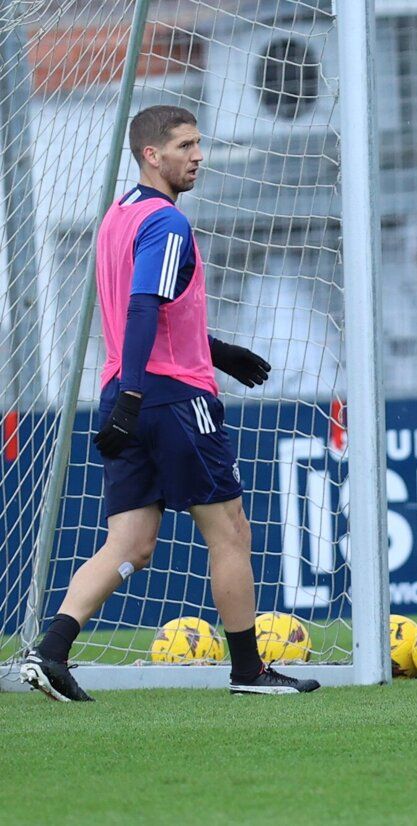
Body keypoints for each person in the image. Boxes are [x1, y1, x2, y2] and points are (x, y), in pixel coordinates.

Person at [20, 106, 319, 701]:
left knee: (130, 543)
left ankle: (49, 652)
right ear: (151, 155)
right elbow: (142, 306)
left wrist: (216, 351)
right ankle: (249, 672)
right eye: (185, 146)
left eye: (198, 143)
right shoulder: (166, 222)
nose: (198, 156)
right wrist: (138, 392)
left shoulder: (117, 216)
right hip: (171, 397)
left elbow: (157, 310)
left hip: (123, 390)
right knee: (229, 531)